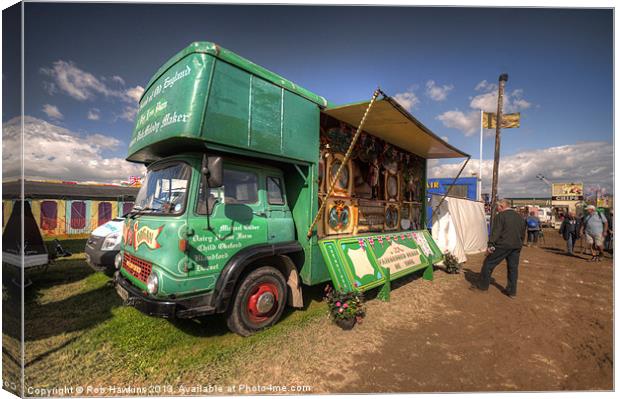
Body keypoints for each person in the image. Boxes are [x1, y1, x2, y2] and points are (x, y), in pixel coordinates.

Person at [471, 199, 526, 298]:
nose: (497, 209)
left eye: (497, 207)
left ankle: (482, 286)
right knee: (513, 268)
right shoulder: (519, 217)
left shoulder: (500, 216)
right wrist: (520, 243)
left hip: (502, 245)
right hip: (516, 246)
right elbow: (523, 232)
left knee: (488, 264)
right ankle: (512, 291)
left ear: (502, 206)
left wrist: (490, 245)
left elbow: (496, 232)